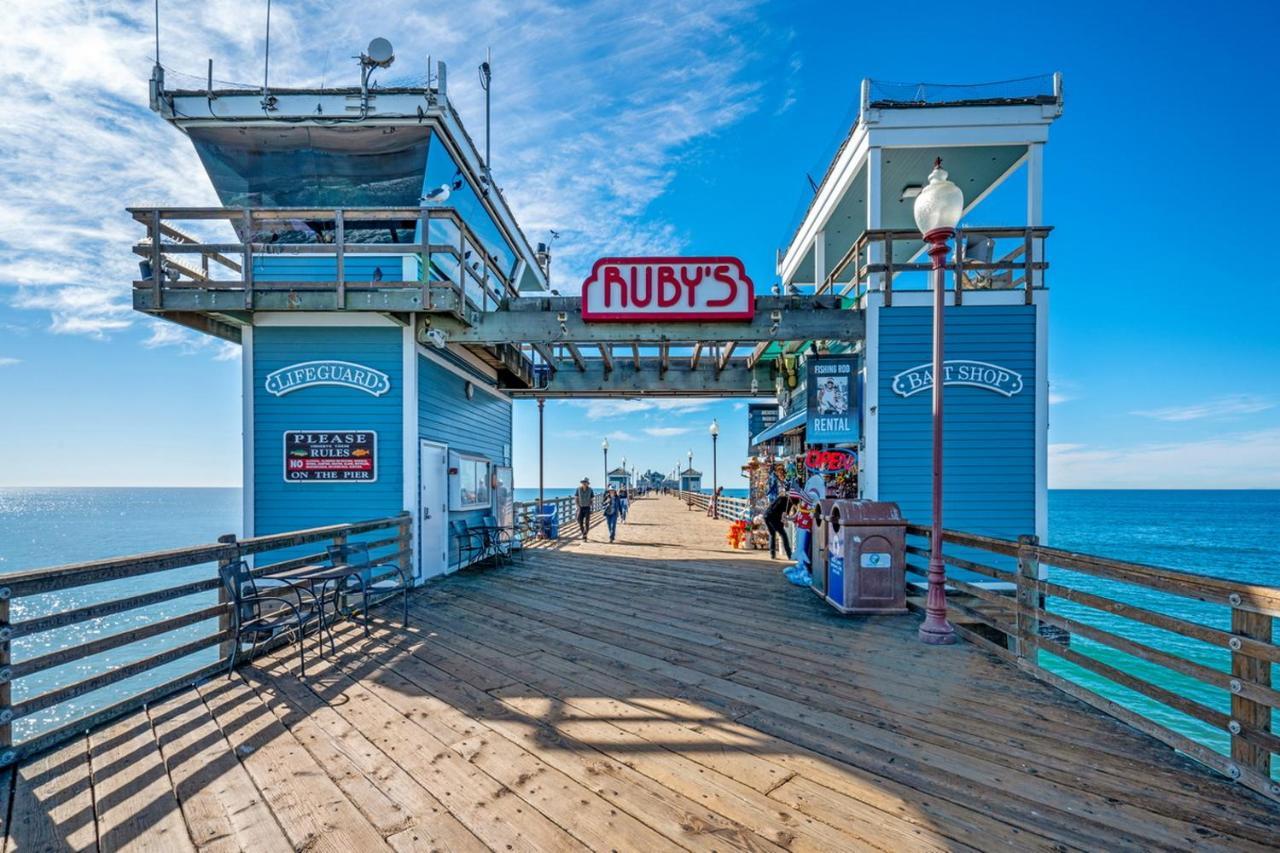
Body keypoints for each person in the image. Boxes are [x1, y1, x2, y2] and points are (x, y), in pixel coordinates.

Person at [763, 493, 793, 560]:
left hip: (766, 515)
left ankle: (772, 554)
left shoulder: (781, 498)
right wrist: (785, 523)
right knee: (783, 534)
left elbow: (775, 508)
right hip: (773, 517)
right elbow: (783, 515)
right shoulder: (788, 503)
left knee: (772, 534)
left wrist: (783, 522)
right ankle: (789, 554)